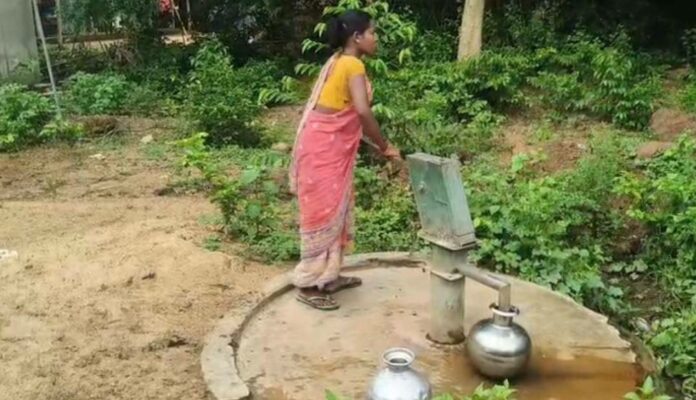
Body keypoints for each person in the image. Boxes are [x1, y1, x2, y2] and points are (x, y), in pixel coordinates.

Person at [289, 10, 401, 310]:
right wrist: (385, 146)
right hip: (323, 151)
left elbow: (344, 111)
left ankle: (329, 277)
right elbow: (362, 111)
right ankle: (308, 284)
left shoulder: (339, 60)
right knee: (322, 215)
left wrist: (375, 145)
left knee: (335, 212)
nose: (376, 38)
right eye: (372, 33)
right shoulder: (352, 64)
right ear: (357, 37)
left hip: (325, 146)